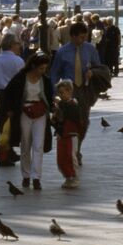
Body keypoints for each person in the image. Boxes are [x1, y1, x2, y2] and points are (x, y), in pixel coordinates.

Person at [49, 22, 101, 156]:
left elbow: (99, 67)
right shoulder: (62, 51)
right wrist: (53, 93)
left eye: (85, 37)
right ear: (73, 36)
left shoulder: (90, 49)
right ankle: (72, 148)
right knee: (70, 120)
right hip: (69, 90)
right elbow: (55, 72)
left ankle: (78, 147)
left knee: (83, 120)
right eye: (81, 37)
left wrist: (93, 72)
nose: (84, 40)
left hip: (84, 88)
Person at [5, 52, 53, 190]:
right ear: (33, 66)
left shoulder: (45, 80)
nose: (43, 71)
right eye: (41, 68)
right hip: (24, 111)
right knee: (25, 144)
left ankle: (36, 177)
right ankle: (26, 175)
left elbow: (49, 96)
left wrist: (52, 107)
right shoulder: (21, 78)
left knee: (38, 145)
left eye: (44, 68)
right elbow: (9, 92)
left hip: (40, 112)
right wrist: (11, 108)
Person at [0, 34, 25, 167]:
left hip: (0, 94)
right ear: (11, 45)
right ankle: (8, 153)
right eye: (17, 43)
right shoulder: (18, 61)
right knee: (14, 124)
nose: (19, 46)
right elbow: (22, 81)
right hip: (14, 95)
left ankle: (6, 154)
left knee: (3, 125)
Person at [52, 80, 82, 189]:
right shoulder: (61, 106)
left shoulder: (73, 104)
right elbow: (56, 120)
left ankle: (74, 177)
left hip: (71, 134)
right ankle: (67, 176)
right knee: (61, 157)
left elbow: (71, 113)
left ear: (70, 92)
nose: (61, 95)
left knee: (70, 156)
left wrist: (59, 104)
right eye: (59, 93)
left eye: (63, 92)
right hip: (61, 135)